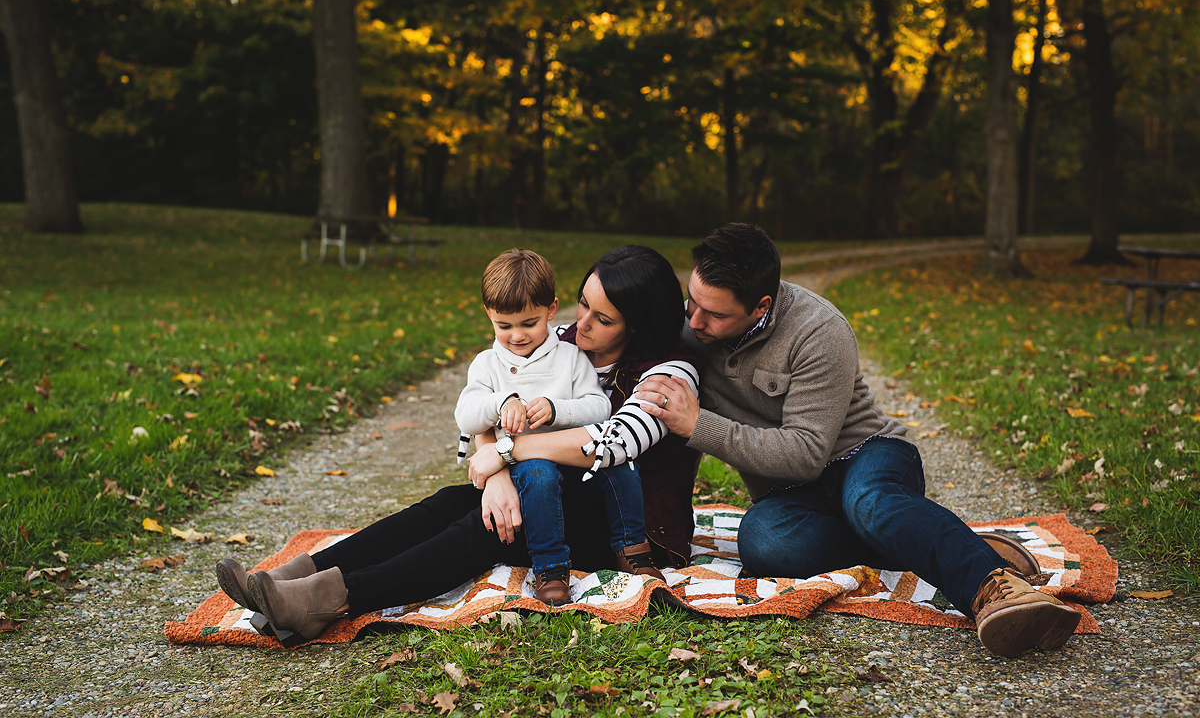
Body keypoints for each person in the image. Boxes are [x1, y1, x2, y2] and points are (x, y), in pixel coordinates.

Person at [214, 245, 700, 647]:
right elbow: (490, 398)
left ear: (635, 325)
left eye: (604, 318)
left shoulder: (669, 374)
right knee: (448, 503)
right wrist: (497, 475)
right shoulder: (560, 340)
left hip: (627, 527)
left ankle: (328, 600)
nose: (582, 323)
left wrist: (504, 455)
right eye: (582, 303)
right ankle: (297, 576)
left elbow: (610, 444)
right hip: (548, 487)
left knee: (487, 529)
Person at [634, 223, 1081, 659]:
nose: (694, 321)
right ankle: (945, 542)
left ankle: (993, 585)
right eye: (691, 301)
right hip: (794, 494)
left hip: (867, 455)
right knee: (764, 541)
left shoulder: (818, 329)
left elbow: (805, 454)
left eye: (714, 314)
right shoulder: (692, 323)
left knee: (870, 504)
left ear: (760, 306)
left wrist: (698, 425)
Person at [454, 248, 657, 605]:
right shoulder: (487, 365)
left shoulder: (571, 357)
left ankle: (633, 552)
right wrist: (501, 404)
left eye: (529, 323)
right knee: (540, 474)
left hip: (572, 456)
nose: (517, 335)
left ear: (551, 310)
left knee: (620, 466)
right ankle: (550, 567)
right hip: (526, 466)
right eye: (504, 326)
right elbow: (467, 417)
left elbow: (599, 406)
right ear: (489, 315)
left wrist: (556, 409)